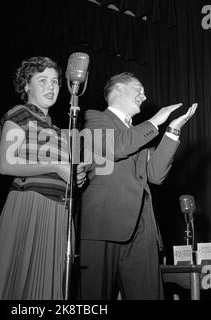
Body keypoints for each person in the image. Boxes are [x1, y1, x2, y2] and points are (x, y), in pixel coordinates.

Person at [79, 72, 197, 300]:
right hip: (102, 226)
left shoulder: (137, 133)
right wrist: (155, 121)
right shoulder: (93, 118)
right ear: (118, 88)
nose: (144, 96)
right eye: (139, 90)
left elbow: (155, 176)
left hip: (142, 229)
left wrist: (172, 130)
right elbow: (118, 147)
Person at [0, 56, 86, 300]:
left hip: (59, 210)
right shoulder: (19, 114)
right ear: (26, 86)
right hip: (30, 205)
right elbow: (6, 164)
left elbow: (63, 171)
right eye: (42, 80)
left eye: (54, 81)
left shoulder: (57, 130)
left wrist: (76, 174)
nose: (51, 86)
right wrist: (55, 166)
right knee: (19, 286)